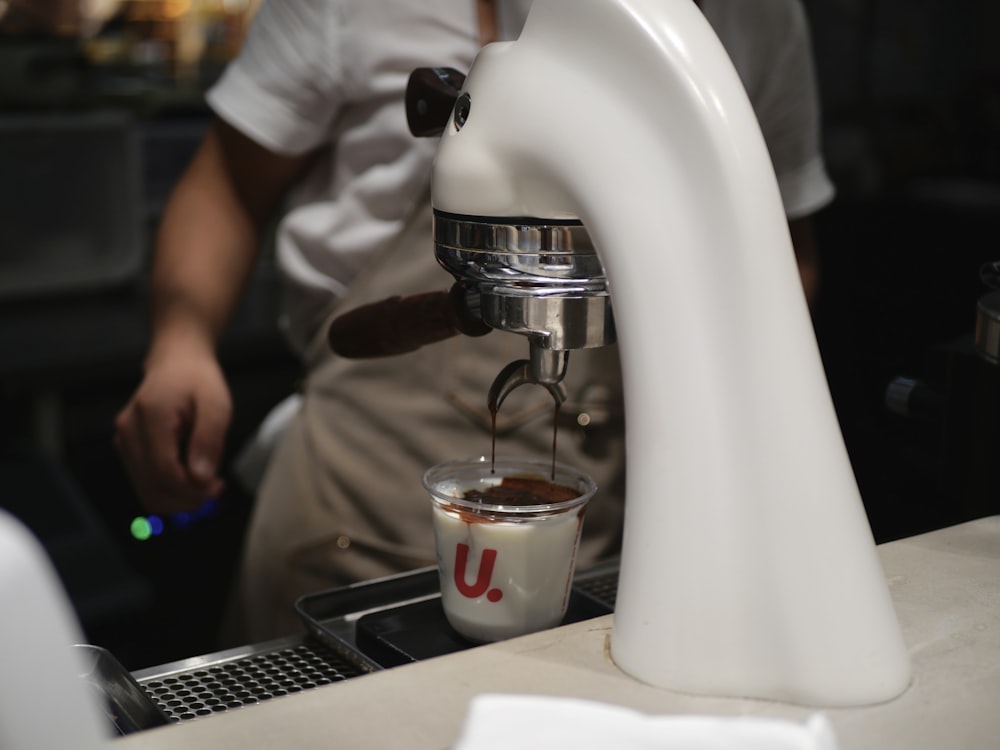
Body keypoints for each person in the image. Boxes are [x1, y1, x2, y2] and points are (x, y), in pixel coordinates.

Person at [114, 0, 834, 643]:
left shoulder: (754, 19)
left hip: (603, 537)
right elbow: (227, 183)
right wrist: (181, 342)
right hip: (351, 507)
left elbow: (781, 247)